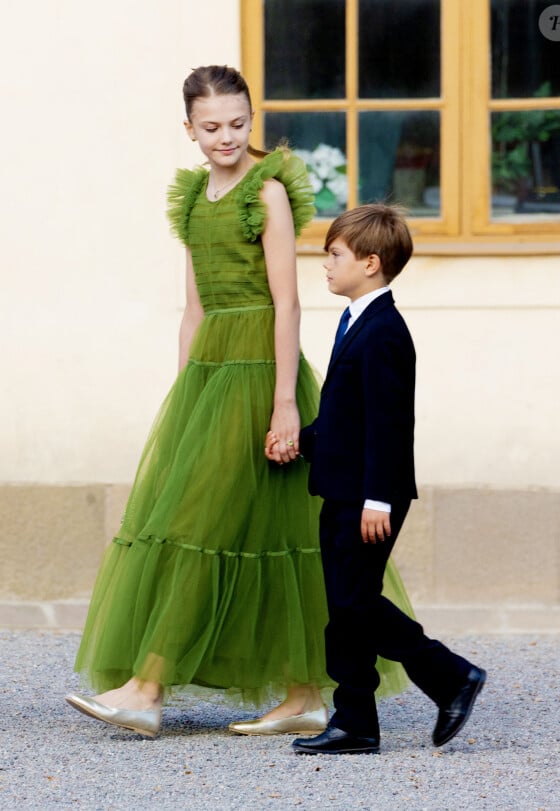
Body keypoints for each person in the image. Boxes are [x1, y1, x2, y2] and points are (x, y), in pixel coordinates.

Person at [65, 66, 414, 738]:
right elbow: (193, 307)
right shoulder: (195, 199)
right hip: (211, 376)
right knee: (263, 526)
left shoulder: (270, 190)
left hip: (260, 370)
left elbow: (287, 301)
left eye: (238, 123)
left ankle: (146, 686)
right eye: (212, 127)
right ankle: (304, 693)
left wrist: (285, 403)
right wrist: (185, 395)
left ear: (253, 117)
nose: (227, 138)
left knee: (202, 524)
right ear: (189, 130)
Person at [266, 204, 486, 755]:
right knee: (344, 608)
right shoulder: (353, 320)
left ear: (370, 263)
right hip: (341, 486)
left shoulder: (385, 331)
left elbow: (390, 427)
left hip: (370, 496)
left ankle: (451, 675)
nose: (325, 264)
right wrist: (300, 440)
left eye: (334, 255)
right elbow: (348, 418)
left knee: (355, 602)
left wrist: (378, 500)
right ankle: (355, 722)